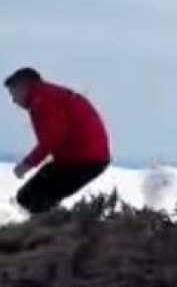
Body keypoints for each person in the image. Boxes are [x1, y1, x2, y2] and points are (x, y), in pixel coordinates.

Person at [6, 68, 111, 217]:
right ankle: (56, 229)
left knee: (34, 199)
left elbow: (51, 140)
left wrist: (26, 164)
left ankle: (60, 232)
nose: (14, 101)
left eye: (14, 93)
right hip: (80, 159)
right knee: (28, 198)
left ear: (24, 86)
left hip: (85, 160)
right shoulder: (46, 96)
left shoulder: (43, 100)